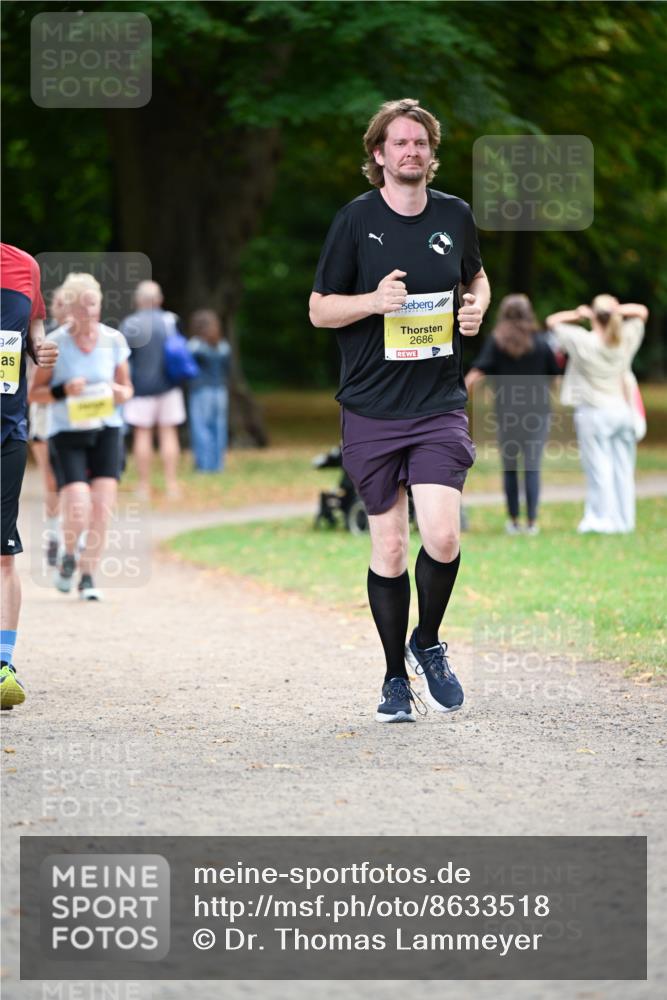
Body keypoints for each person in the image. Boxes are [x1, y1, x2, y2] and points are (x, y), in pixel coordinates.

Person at [309, 98, 490, 723]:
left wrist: (475, 307)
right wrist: (371, 301)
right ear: (379, 155)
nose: (411, 151)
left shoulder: (456, 215)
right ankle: (393, 679)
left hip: (438, 402)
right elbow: (319, 309)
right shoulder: (355, 221)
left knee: (441, 535)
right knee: (388, 548)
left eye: (420, 142)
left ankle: (428, 640)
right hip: (371, 407)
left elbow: (478, 277)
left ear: (431, 155)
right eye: (399, 142)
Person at [29, 272, 133, 600]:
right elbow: (35, 393)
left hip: (107, 429)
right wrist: (62, 390)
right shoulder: (55, 344)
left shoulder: (113, 340)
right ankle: (69, 556)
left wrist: (118, 392)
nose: (90, 312)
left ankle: (88, 577)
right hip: (67, 432)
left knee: (102, 508)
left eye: (95, 305)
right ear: (70, 309)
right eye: (83, 306)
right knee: (77, 505)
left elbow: (128, 389)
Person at [1, 242, 58, 709]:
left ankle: (4, 664)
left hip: (8, 430)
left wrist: (43, 348)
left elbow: (32, 335)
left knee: (3, 556)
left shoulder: (23, 266)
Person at [546, 296, 648, 533]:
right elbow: (642, 311)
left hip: (594, 412)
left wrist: (580, 313)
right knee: (623, 467)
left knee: (598, 468)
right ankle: (624, 521)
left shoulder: (584, 341)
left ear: (595, 314)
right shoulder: (624, 338)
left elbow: (552, 321)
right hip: (622, 410)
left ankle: (601, 520)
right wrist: (613, 310)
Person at [465, 294, 561, 535]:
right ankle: (531, 523)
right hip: (538, 414)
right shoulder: (541, 342)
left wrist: (460, 398)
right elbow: (555, 377)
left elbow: (477, 374)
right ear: (529, 313)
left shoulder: (496, 342)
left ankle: (512, 521)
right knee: (532, 467)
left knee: (509, 468)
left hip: (507, 414)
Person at [120, 280, 186, 500]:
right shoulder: (170, 321)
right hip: (169, 386)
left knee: (142, 435)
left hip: (140, 389)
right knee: (169, 433)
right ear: (159, 299)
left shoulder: (130, 324)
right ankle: (171, 484)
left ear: (138, 300)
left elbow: (122, 359)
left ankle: (144, 486)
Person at [28, 284, 68, 566]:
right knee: (51, 480)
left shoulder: (93, 338)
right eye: (63, 304)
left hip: (77, 417)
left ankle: (73, 538)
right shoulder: (43, 336)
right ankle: (54, 537)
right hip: (45, 411)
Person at [186, 309, 232, 472]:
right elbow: (228, 369)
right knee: (219, 428)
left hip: (201, 391)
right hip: (220, 391)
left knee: (201, 427)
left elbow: (185, 366)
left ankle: (204, 466)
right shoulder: (223, 346)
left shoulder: (194, 346)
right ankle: (218, 464)